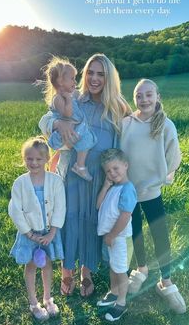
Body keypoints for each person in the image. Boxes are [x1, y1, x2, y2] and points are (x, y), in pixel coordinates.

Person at [39, 53, 131, 297]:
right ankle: (66, 271)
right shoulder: (75, 99)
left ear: (109, 78)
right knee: (68, 219)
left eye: (101, 74)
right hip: (71, 173)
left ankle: (85, 272)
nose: (94, 78)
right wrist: (58, 125)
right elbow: (45, 119)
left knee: (91, 222)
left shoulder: (118, 108)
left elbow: (130, 139)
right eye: (90, 72)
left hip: (99, 178)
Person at [121, 78, 186, 314]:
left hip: (152, 191)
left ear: (157, 96)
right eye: (139, 95)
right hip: (129, 190)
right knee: (135, 230)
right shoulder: (127, 123)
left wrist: (164, 176)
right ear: (134, 99)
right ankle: (141, 268)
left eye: (149, 94)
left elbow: (174, 155)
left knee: (160, 235)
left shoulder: (165, 124)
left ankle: (166, 281)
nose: (144, 99)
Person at [9, 136, 66, 320]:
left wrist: (52, 232)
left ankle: (48, 298)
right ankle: (34, 303)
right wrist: (29, 233)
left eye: (38, 159)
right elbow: (15, 210)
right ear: (24, 159)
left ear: (47, 159)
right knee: (32, 265)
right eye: (29, 159)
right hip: (30, 234)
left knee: (47, 264)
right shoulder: (20, 183)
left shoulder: (55, 181)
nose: (33, 163)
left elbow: (60, 207)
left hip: (49, 233)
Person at [96, 149, 137, 322]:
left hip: (119, 237)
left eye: (116, 168)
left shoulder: (127, 189)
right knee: (114, 267)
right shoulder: (113, 187)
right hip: (112, 237)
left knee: (120, 270)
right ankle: (114, 292)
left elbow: (125, 216)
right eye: (108, 171)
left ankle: (121, 302)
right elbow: (98, 206)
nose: (112, 173)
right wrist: (105, 186)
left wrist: (112, 235)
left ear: (125, 165)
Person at [43, 56, 97, 181]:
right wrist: (68, 99)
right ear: (61, 82)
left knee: (86, 139)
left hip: (75, 127)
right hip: (70, 129)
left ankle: (80, 165)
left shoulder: (72, 95)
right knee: (85, 140)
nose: (75, 82)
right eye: (72, 79)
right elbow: (67, 114)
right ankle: (80, 166)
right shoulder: (59, 98)